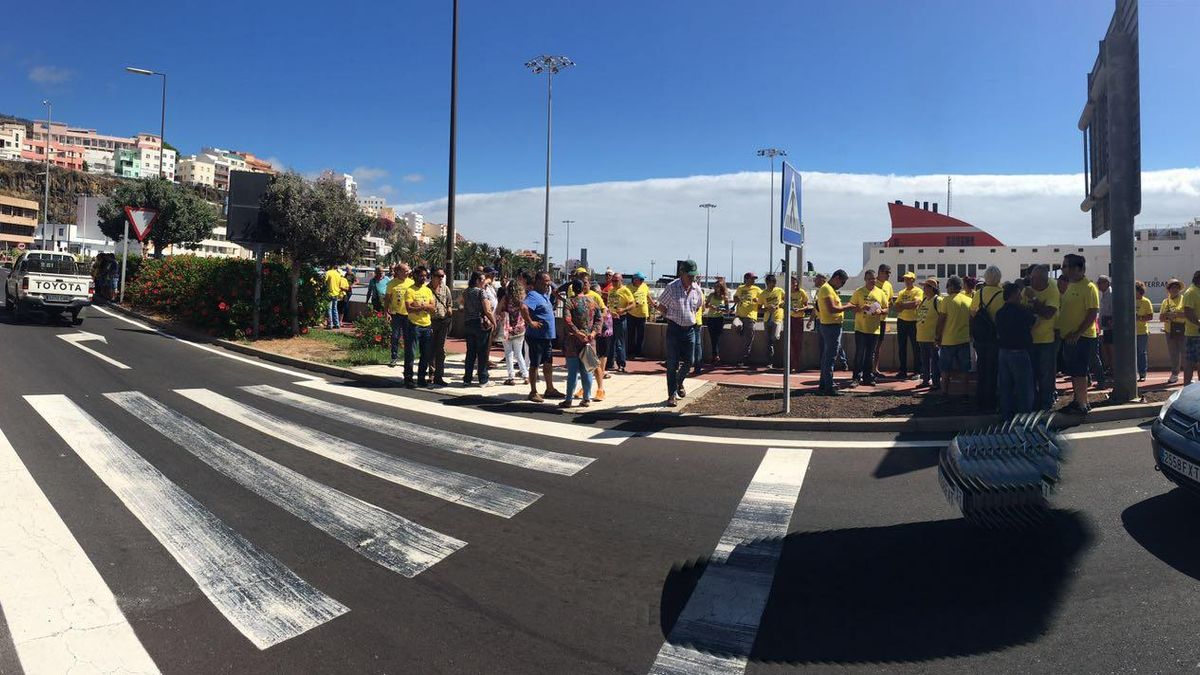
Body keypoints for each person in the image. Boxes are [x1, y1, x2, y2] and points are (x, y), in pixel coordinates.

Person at [656, 259, 705, 407]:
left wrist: (688, 317)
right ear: (682, 273)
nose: (692, 278)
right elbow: (661, 305)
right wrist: (670, 316)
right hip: (674, 329)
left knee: (690, 360)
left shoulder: (697, 289)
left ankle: (679, 382)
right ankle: (672, 395)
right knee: (672, 363)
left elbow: (698, 307)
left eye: (694, 276)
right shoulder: (672, 287)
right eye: (689, 275)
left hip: (690, 329)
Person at [1058, 254, 1101, 414]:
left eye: (1065, 266)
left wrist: (1077, 333)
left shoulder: (1089, 287)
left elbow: (1092, 312)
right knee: (1074, 372)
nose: (1063, 269)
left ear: (1077, 268)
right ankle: (1077, 401)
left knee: (1080, 371)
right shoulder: (1070, 285)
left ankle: (1083, 404)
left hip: (1081, 338)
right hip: (1069, 337)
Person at [995, 282, 1036, 419]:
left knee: (1005, 387)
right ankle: (1024, 417)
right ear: (1013, 294)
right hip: (1019, 352)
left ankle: (1006, 415)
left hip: (1003, 352)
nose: (1020, 296)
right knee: (1024, 387)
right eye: (1019, 293)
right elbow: (1033, 321)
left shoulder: (999, 313)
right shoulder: (1021, 311)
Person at [1023, 265, 1060, 410]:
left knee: (1046, 375)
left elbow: (1049, 313)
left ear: (1042, 280)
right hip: (1029, 339)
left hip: (1046, 339)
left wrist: (1034, 301)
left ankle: (1046, 403)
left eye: (1033, 279)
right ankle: (1034, 402)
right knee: (1031, 374)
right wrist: (1038, 308)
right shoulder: (1027, 289)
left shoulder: (1052, 289)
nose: (1030, 281)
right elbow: (1023, 310)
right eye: (1030, 278)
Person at [560, 279, 602, 409]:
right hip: (589, 340)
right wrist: (594, 333)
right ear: (583, 288)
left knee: (572, 371)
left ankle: (568, 399)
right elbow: (599, 319)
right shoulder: (592, 301)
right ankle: (586, 398)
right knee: (587, 370)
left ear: (573, 288)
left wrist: (577, 333)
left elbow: (567, 320)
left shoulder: (569, 302)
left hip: (573, 340)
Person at [970, 266, 1004, 412]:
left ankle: (980, 398)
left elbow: (972, 314)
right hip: (995, 336)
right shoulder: (1002, 294)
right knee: (994, 369)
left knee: (981, 367)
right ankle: (991, 399)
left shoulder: (979, 293)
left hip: (980, 336)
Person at [849, 269, 888, 387]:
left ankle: (868, 377)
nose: (872, 280)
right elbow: (852, 308)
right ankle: (856, 378)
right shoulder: (859, 292)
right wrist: (862, 308)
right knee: (859, 353)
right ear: (865, 279)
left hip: (874, 329)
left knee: (870, 354)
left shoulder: (880, 292)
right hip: (861, 328)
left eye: (874, 278)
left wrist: (880, 311)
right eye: (870, 278)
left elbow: (887, 309)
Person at [816, 270, 852, 395]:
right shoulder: (827, 289)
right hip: (831, 327)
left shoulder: (829, 289)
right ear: (836, 278)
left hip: (830, 326)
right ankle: (829, 386)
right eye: (842, 282)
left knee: (827, 357)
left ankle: (824, 384)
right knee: (830, 358)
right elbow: (832, 309)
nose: (841, 285)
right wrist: (848, 307)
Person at [936, 275, 972, 396]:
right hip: (964, 340)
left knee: (945, 369)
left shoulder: (946, 301)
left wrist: (937, 336)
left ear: (951, 286)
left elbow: (941, 320)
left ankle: (945, 392)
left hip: (948, 341)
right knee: (964, 370)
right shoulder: (968, 300)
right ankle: (965, 393)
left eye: (947, 285)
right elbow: (972, 320)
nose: (946, 288)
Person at [403, 266, 435, 388]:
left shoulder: (427, 291)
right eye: (421, 275)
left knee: (426, 354)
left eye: (425, 276)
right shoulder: (409, 290)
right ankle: (408, 378)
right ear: (415, 276)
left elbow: (433, 308)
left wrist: (421, 305)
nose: (424, 278)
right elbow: (409, 308)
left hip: (427, 325)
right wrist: (424, 306)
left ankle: (421, 378)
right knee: (411, 353)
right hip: (414, 325)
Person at [461, 271, 494, 386]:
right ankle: (483, 379)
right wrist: (493, 322)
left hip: (468, 323)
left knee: (470, 352)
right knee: (482, 353)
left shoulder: (466, 292)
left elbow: (461, 304)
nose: (484, 281)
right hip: (480, 324)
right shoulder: (481, 292)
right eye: (482, 279)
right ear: (477, 280)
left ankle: (467, 379)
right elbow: (487, 310)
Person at [497, 278, 530, 386]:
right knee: (519, 353)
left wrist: (503, 313)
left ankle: (511, 377)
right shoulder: (522, 298)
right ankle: (525, 375)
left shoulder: (505, 298)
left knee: (508, 353)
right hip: (520, 329)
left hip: (507, 329)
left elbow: (498, 310)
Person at [893, 272, 923, 379]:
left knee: (916, 347)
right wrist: (904, 305)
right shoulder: (901, 292)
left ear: (913, 280)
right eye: (905, 279)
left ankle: (918, 371)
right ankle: (902, 371)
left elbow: (915, 304)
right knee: (902, 347)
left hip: (914, 321)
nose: (906, 281)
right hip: (901, 321)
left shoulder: (918, 291)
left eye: (909, 279)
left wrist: (902, 305)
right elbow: (896, 307)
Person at [915, 277, 942, 388]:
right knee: (925, 361)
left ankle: (936, 382)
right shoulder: (924, 300)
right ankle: (925, 380)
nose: (924, 289)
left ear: (932, 288)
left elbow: (942, 317)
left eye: (925, 286)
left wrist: (938, 335)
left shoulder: (938, 300)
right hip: (922, 337)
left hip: (932, 337)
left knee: (935, 361)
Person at [429, 267, 453, 386]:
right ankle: (431, 374)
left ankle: (439, 375)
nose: (441, 278)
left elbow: (449, 302)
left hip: (443, 321)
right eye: (439, 276)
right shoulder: (426, 289)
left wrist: (449, 309)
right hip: (431, 322)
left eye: (442, 276)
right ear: (432, 276)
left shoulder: (445, 288)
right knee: (431, 349)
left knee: (441, 350)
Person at [384, 263, 413, 362]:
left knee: (408, 337)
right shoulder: (392, 283)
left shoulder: (411, 282)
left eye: (407, 271)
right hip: (396, 314)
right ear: (398, 272)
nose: (407, 273)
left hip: (409, 315)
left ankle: (408, 358)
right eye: (405, 271)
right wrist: (386, 312)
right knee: (395, 336)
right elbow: (387, 299)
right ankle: (394, 357)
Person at [606, 273, 634, 372]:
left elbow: (632, 304)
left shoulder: (625, 290)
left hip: (620, 318)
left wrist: (624, 309)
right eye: (612, 280)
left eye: (616, 281)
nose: (613, 282)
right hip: (611, 318)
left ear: (621, 280)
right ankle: (609, 363)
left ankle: (621, 364)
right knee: (610, 341)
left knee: (619, 342)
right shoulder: (611, 290)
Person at [871, 264, 895, 379]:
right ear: (880, 272)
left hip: (882, 319)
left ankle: (875, 369)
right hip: (872, 320)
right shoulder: (873, 283)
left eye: (889, 273)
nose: (888, 275)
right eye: (886, 272)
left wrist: (888, 306)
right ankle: (866, 369)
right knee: (869, 345)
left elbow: (890, 300)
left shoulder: (888, 285)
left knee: (878, 345)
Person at [732, 272, 761, 366]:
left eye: (754, 279)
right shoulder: (741, 288)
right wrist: (737, 298)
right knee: (735, 325)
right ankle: (741, 333)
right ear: (746, 279)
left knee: (748, 338)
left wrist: (758, 300)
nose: (753, 280)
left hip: (750, 316)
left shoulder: (757, 289)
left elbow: (763, 298)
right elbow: (735, 297)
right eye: (752, 279)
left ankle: (744, 358)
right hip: (739, 315)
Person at [1161, 278, 1186, 384]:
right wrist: (1167, 315)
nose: (1174, 289)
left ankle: (1188, 375)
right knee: (1173, 353)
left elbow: (1187, 314)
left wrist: (1174, 315)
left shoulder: (1184, 300)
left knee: (1185, 353)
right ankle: (1175, 374)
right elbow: (1161, 317)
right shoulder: (1165, 301)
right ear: (1169, 289)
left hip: (1183, 330)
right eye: (1172, 287)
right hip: (1169, 331)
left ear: (1179, 289)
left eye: (1176, 287)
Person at [759, 274, 785, 369]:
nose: (773, 284)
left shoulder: (779, 290)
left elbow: (786, 300)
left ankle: (779, 358)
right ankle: (770, 362)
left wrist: (779, 305)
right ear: (767, 283)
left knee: (775, 337)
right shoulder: (763, 294)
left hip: (777, 317)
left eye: (774, 282)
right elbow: (759, 309)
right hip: (767, 319)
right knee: (769, 342)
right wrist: (767, 309)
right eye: (771, 282)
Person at [703, 279, 729, 367]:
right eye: (715, 286)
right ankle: (715, 356)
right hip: (711, 318)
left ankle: (715, 356)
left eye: (718, 286)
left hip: (719, 318)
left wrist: (721, 309)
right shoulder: (711, 295)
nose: (716, 288)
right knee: (712, 338)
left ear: (722, 287)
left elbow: (727, 310)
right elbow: (706, 305)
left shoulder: (725, 297)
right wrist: (712, 306)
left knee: (717, 338)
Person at [788, 276, 811, 373]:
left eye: (794, 282)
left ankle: (796, 364)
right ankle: (790, 364)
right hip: (789, 319)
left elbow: (807, 306)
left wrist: (799, 309)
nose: (793, 284)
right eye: (791, 282)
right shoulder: (787, 293)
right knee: (790, 342)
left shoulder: (801, 292)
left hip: (799, 319)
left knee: (798, 342)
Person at [627, 272, 651, 358]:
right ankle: (630, 352)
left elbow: (648, 296)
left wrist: (653, 304)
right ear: (635, 279)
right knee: (631, 334)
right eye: (641, 279)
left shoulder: (644, 286)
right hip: (631, 314)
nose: (642, 281)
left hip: (642, 314)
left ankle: (639, 352)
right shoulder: (628, 287)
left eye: (643, 279)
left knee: (641, 335)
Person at [1183, 271, 1200, 386]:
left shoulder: (1197, 291)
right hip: (1194, 334)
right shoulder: (1191, 292)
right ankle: (1186, 386)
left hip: (1197, 333)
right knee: (1190, 361)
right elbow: (1188, 313)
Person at [1097, 274, 1114, 383]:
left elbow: (1114, 310)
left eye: (1100, 283)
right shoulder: (1103, 294)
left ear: (1107, 283)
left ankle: (1114, 371)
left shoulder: (1111, 294)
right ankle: (1111, 369)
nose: (1098, 285)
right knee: (1107, 348)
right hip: (1106, 326)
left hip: (1112, 326)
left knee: (1112, 349)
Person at [1136, 280, 1153, 382]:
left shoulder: (1146, 301)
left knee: (1141, 353)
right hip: (1130, 333)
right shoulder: (1129, 300)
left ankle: (1142, 374)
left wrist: (1140, 318)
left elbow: (1150, 316)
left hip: (1142, 332)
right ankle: (1132, 373)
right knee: (1130, 354)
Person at [324, 264, 344, 329]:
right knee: (335, 309)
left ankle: (330, 325)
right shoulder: (338, 274)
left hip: (329, 293)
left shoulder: (328, 272)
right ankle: (337, 324)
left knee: (329, 309)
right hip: (336, 294)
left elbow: (323, 281)